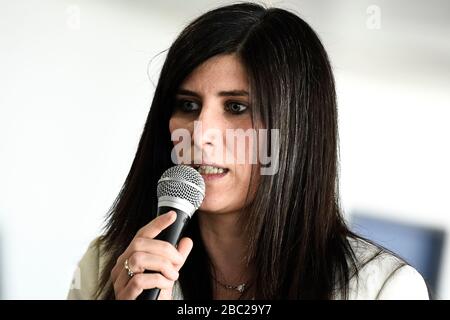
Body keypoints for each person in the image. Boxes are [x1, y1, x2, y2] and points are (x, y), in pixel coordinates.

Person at [67, 2, 429, 300]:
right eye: (188, 106)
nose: (200, 133)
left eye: (237, 107)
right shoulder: (106, 265)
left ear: (297, 132)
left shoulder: (385, 288)